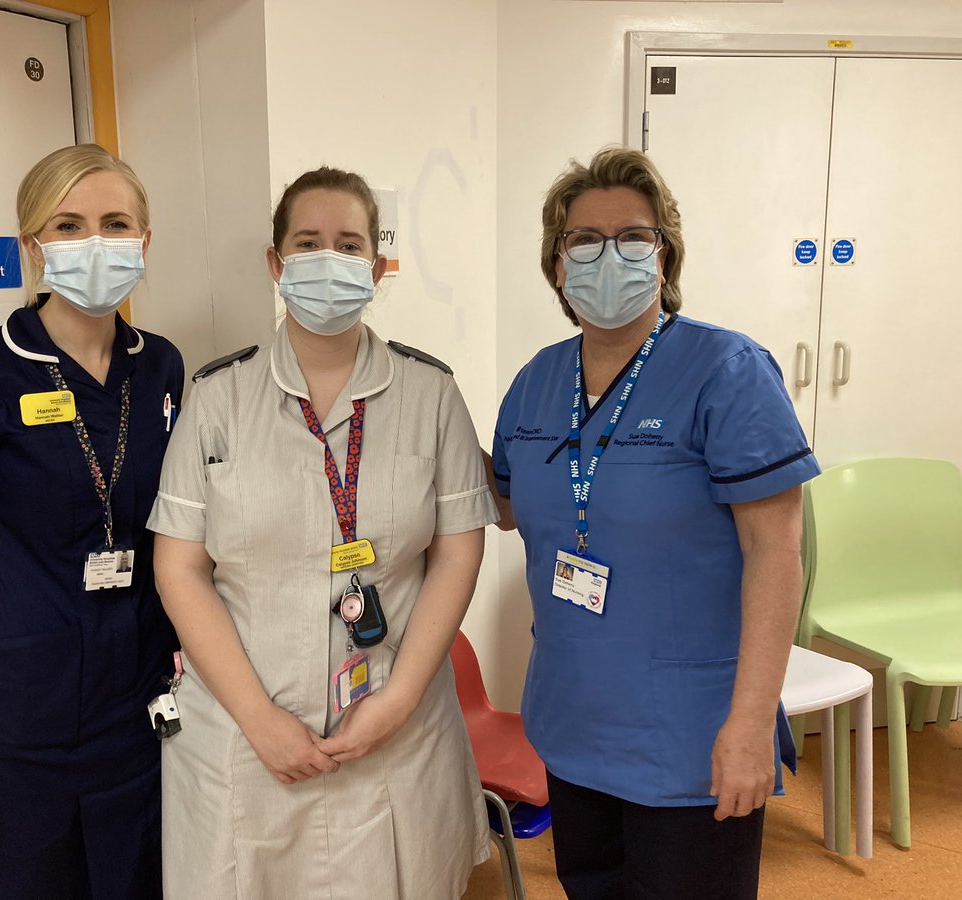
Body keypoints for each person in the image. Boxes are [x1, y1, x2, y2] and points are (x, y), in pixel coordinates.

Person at [149, 166, 496, 898]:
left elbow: (459, 551)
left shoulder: (430, 393)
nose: (329, 260)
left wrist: (398, 700)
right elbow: (179, 571)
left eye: (349, 244)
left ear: (377, 265)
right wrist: (258, 717)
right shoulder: (217, 399)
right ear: (277, 265)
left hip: (398, 733)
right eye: (308, 243)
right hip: (245, 741)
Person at [489, 147, 820, 899]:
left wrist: (748, 724)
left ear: (664, 256)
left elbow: (777, 552)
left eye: (632, 237)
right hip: (575, 721)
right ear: (557, 262)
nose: (609, 255)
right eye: (584, 239)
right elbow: (509, 507)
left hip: (694, 737)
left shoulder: (727, 371)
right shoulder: (537, 382)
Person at [0, 144, 183, 899]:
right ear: (32, 246)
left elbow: (179, 539)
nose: (96, 242)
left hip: (145, 716)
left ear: (144, 241)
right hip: (24, 727)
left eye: (116, 222)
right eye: (68, 224)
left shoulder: (161, 367)